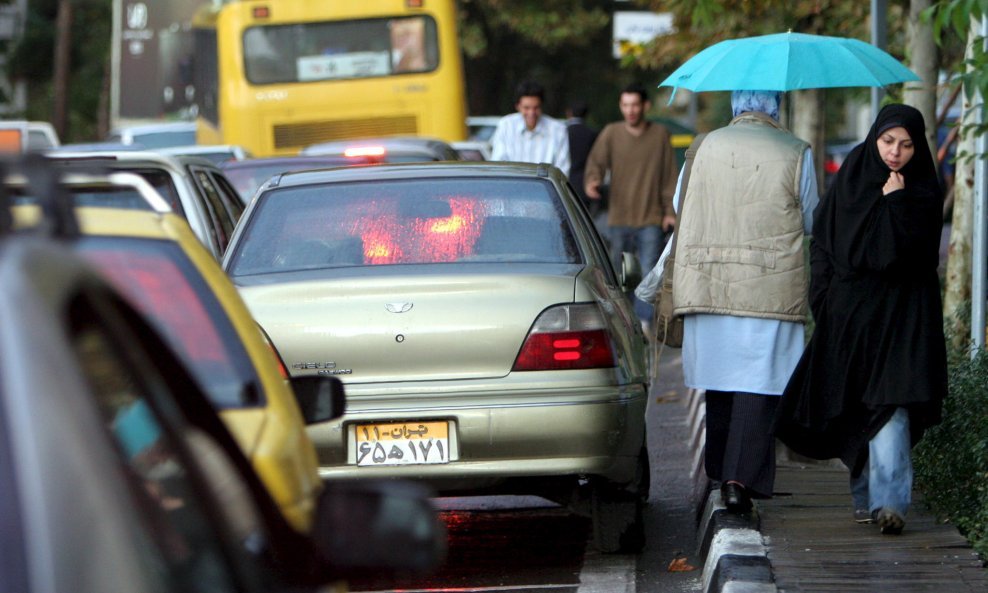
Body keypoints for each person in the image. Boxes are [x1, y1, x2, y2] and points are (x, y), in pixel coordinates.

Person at [773, 104, 947, 535]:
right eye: (888, 142)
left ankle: (890, 503)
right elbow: (825, 238)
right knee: (857, 406)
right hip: (849, 316)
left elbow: (909, 256)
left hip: (902, 315)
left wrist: (897, 203)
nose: (895, 153)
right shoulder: (852, 174)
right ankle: (869, 497)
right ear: (874, 138)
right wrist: (824, 297)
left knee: (893, 402)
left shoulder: (922, 187)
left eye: (906, 145)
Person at [672, 90, 819, 514]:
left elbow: (681, 206)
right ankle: (739, 481)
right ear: (774, 105)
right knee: (759, 381)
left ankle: (720, 472)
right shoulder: (796, 151)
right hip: (768, 284)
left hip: (708, 281)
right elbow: (811, 217)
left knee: (720, 379)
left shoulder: (702, 147)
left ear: (737, 104)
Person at [584, 83, 678, 323]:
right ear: (621, 106)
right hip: (619, 216)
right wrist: (592, 181)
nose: (631, 110)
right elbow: (596, 162)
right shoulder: (612, 133)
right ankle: (626, 322)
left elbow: (669, 175)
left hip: (651, 217)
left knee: (648, 272)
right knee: (621, 274)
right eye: (626, 105)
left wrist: (670, 211)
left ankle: (644, 322)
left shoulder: (660, 134)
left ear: (645, 106)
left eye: (635, 104)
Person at [490, 80, 570, 177]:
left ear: (542, 106)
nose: (531, 113)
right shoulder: (506, 126)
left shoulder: (558, 130)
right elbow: (498, 165)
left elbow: (562, 171)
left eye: (536, 108)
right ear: (518, 106)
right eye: (526, 108)